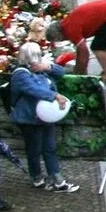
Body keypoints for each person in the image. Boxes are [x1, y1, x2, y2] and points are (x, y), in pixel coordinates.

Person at [8, 43, 77, 192]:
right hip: (29, 118)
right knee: (34, 149)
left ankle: (57, 179)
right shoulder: (20, 74)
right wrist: (55, 95)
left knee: (49, 148)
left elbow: (60, 72)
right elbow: (34, 89)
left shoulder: (41, 69)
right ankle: (37, 177)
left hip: (45, 116)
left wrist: (48, 67)